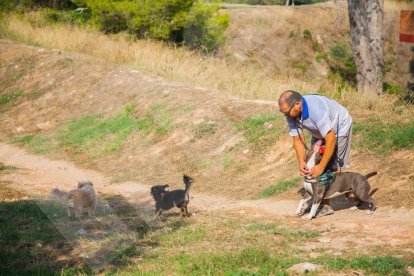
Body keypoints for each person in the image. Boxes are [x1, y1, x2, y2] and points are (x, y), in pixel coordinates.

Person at [278, 90, 353, 216]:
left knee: (330, 167)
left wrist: (322, 166)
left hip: (339, 128)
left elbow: (331, 139)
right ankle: (318, 199)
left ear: (298, 104)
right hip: (319, 130)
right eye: (282, 112)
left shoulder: (316, 110)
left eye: (286, 112)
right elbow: (298, 140)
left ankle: (326, 205)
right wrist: (301, 161)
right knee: (314, 162)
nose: (285, 115)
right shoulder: (291, 114)